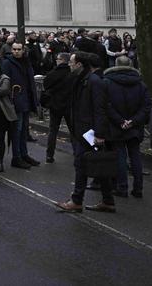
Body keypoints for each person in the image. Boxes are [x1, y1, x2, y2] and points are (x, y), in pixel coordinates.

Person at [57, 52, 116, 213]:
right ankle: (108, 200)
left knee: (81, 164)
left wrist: (99, 134)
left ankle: (76, 200)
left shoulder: (94, 82)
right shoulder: (81, 80)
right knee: (99, 164)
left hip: (89, 131)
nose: (69, 64)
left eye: (71, 62)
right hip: (83, 130)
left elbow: (100, 109)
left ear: (80, 64)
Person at [103, 56, 152, 198]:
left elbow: (106, 105)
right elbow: (146, 106)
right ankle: (138, 188)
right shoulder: (140, 84)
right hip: (135, 126)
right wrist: (134, 121)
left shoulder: (107, 82)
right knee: (135, 156)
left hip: (115, 125)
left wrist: (120, 121)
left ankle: (122, 187)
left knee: (120, 156)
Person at [0, 42, 39, 169]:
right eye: (14, 49)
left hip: (26, 99)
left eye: (19, 49)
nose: (16, 51)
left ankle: (24, 154)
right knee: (17, 130)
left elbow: (30, 81)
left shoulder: (26, 61)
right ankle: (16, 157)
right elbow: (5, 83)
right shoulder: (7, 63)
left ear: (23, 50)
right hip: (15, 100)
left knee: (24, 130)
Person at [41, 52, 76, 163]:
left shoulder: (52, 74)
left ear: (61, 60)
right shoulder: (72, 74)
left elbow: (46, 85)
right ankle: (77, 152)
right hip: (69, 105)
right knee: (73, 131)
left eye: (57, 59)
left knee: (53, 130)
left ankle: (49, 155)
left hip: (55, 105)